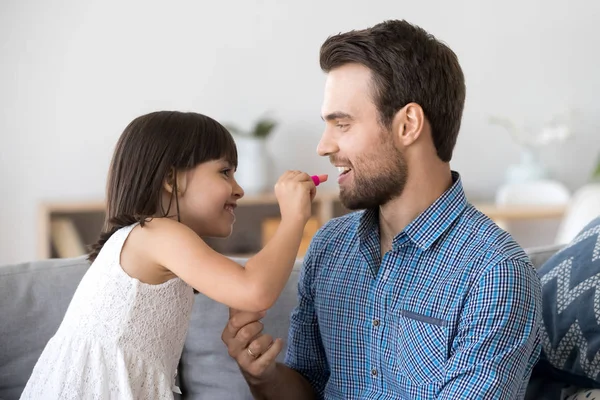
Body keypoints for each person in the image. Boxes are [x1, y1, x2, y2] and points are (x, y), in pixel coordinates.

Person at [222, 19, 542, 399]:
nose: (324, 147)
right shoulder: (328, 247)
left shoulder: (495, 274)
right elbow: (310, 385)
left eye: (342, 124)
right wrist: (263, 376)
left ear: (407, 125)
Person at [20, 111, 327, 399]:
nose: (239, 190)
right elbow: (254, 290)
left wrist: (239, 295)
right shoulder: (157, 233)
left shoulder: (153, 240)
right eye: (225, 172)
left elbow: (246, 287)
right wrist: (294, 218)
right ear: (171, 179)